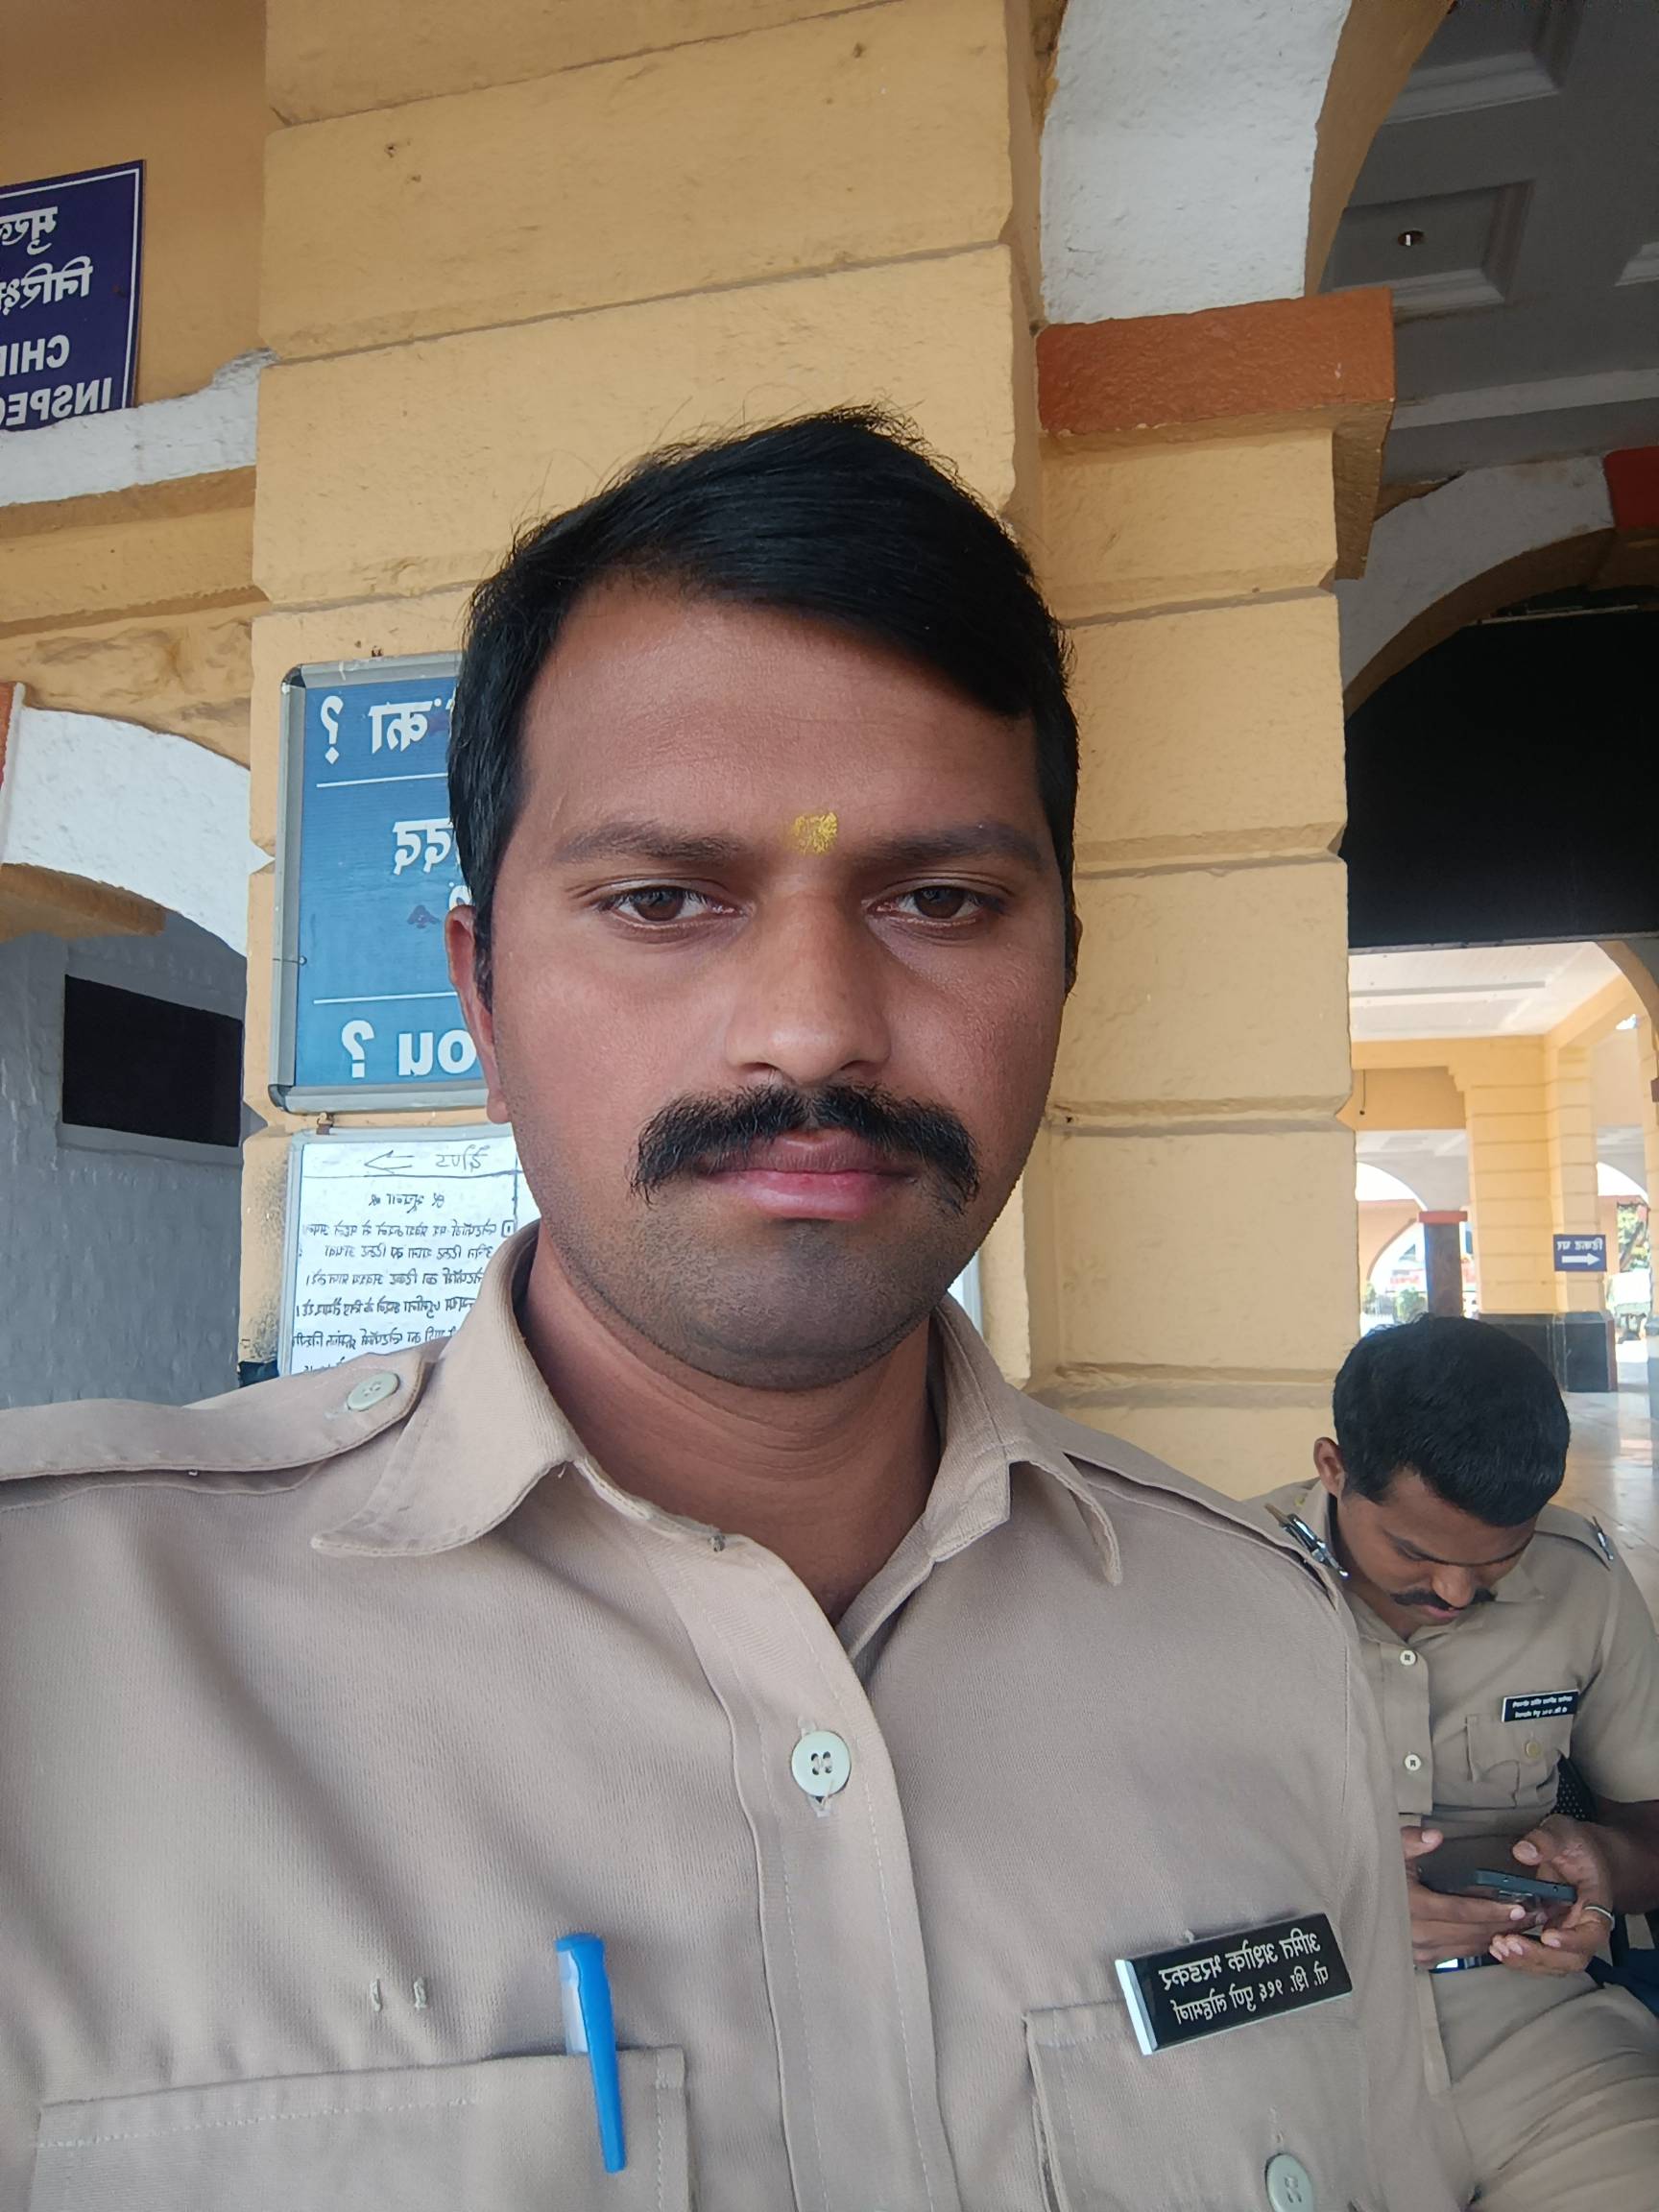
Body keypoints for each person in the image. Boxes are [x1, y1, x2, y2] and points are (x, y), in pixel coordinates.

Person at [0, 413, 1456, 2211]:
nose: (813, 1027)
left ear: (1063, 970)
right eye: (663, 899)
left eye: (941, 899)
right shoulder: (53, 1652)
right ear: (480, 995)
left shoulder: (1260, 1640)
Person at [1258, 1315, 1659, 2210]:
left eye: (1500, 1559)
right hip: (1282, 2025)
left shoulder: (1583, 1581)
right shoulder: (1223, 1580)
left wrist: (1604, 1867)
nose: (1454, 1591)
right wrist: (1342, 1907)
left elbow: (1649, 1826)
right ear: (1334, 1467)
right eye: (1414, 1551)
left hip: (1534, 2026)